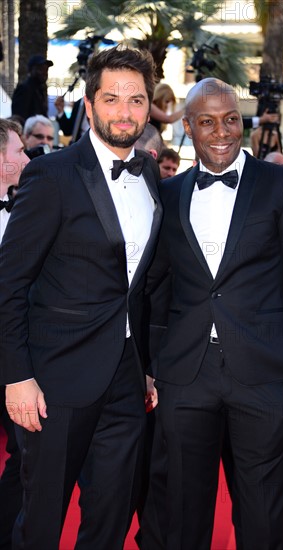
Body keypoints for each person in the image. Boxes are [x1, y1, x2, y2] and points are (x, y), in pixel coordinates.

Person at [144, 77, 283, 549]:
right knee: (182, 512)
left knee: (264, 514)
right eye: (207, 122)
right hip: (185, 376)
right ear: (188, 127)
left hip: (265, 376)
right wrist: (155, 366)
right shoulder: (169, 193)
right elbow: (157, 290)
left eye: (231, 120)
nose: (222, 132)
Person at [0, 45, 162, 550]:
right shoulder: (51, 175)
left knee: (110, 515)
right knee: (43, 519)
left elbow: (144, 282)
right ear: (89, 106)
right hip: (55, 379)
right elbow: (9, 284)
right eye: (111, 98)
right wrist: (16, 375)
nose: (125, 111)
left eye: (136, 100)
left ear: (149, 106)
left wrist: (148, 363)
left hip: (127, 379)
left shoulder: (153, 174)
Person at [0, 118, 30, 550]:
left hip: (16, 356)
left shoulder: (27, 207)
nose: (26, 158)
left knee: (27, 454)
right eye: (18, 151)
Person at [11, 55, 53, 122]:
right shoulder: (24, 89)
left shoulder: (40, 90)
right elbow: (18, 118)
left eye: (46, 69)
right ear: (31, 70)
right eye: (40, 69)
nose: (44, 73)